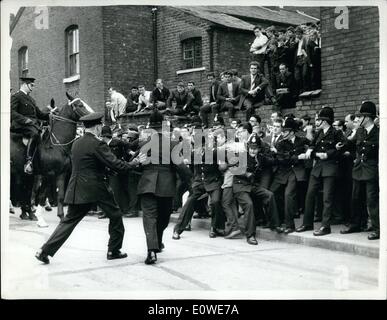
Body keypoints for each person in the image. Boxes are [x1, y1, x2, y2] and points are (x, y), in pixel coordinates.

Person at [35, 112, 142, 264]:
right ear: (97, 127)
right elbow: (116, 164)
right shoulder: (97, 144)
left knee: (68, 221)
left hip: (77, 188)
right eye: (100, 126)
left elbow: (88, 164)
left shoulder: (76, 143)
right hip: (96, 188)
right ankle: (114, 250)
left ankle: (44, 251)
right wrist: (133, 163)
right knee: (116, 215)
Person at [137, 110, 186, 264]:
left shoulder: (143, 143)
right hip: (166, 185)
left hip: (147, 184)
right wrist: (190, 182)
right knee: (163, 218)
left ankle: (152, 250)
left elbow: (137, 163)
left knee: (150, 218)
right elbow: (181, 167)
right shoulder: (172, 144)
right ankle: (155, 244)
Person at [296, 107, 346, 236]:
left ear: (325, 120)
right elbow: (312, 143)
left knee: (327, 198)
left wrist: (328, 154)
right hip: (318, 167)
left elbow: (343, 147)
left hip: (330, 167)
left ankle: (325, 226)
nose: (317, 122)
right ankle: (307, 223)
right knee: (310, 194)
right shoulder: (319, 132)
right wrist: (310, 149)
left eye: (320, 119)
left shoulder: (336, 133)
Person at [340, 101, 379, 240]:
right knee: (355, 197)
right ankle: (355, 224)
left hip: (370, 169)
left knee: (372, 199)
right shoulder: (360, 131)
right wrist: (341, 145)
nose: (357, 119)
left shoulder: (378, 132)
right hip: (358, 168)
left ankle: (377, 228)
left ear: (367, 118)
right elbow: (350, 143)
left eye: (360, 116)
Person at [269, 118, 310, 233]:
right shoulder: (280, 143)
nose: (283, 133)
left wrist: (309, 151)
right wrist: (298, 157)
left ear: (292, 132)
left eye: (285, 131)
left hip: (296, 173)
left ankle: (289, 225)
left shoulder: (302, 141)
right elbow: (283, 158)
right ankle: (276, 222)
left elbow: (313, 145)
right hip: (283, 172)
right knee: (271, 193)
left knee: (288, 195)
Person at [11, 77, 51, 174]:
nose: (32, 88)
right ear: (25, 84)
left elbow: (39, 114)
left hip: (32, 124)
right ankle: (28, 161)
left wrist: (50, 116)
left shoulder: (31, 99)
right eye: (31, 85)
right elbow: (11, 112)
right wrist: (24, 120)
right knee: (35, 134)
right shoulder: (16, 96)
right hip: (20, 125)